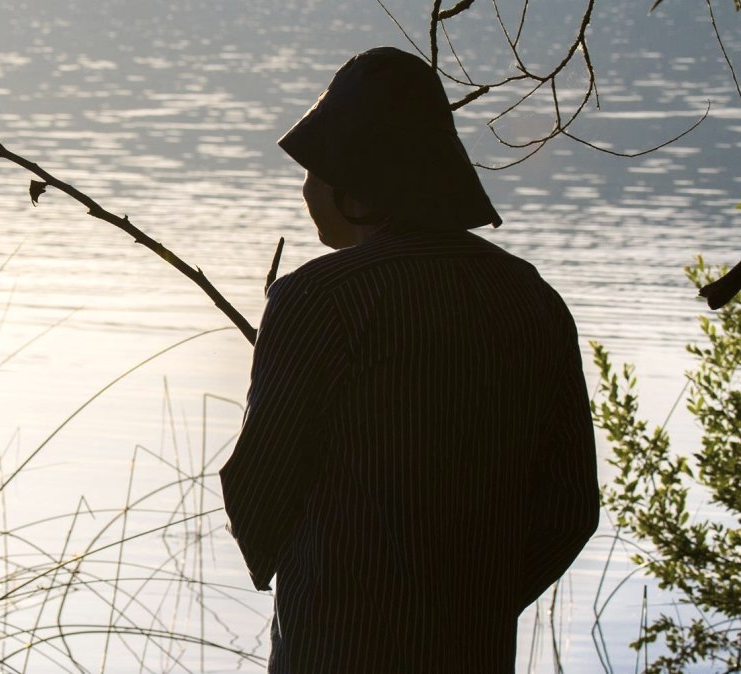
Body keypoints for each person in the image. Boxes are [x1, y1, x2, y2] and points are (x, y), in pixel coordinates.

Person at [218, 47, 599, 672]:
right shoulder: (532, 298)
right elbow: (571, 508)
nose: (305, 187)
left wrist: (317, 580)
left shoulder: (319, 297)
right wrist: (477, 600)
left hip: (334, 647)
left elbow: (258, 488)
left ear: (355, 181)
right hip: (472, 648)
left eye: (313, 169)